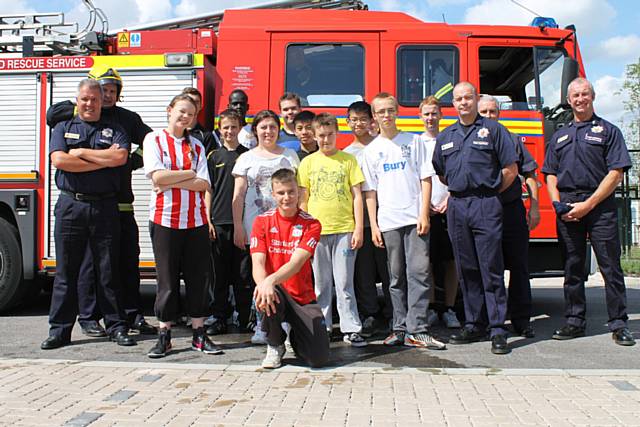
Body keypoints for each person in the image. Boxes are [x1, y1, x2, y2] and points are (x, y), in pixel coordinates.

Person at [45, 65, 155, 338]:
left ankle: (127, 318)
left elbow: (149, 142)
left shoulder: (124, 122)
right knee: (79, 269)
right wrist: (103, 162)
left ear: (118, 94)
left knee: (120, 266)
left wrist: (131, 161)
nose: (103, 97)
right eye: (99, 91)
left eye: (110, 91)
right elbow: (57, 153)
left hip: (116, 204)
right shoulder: (69, 118)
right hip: (76, 204)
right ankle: (83, 319)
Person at [542, 77, 635, 346]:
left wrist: (588, 205)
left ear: (592, 97)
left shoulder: (609, 131)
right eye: (575, 95)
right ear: (568, 100)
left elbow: (615, 173)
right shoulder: (560, 134)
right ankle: (574, 321)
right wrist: (558, 205)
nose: (580, 99)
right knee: (572, 268)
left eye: (585, 94)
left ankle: (619, 324)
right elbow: (549, 174)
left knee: (610, 268)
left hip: (600, 207)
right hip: (568, 206)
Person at [432, 82, 518, 355]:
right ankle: (473, 323)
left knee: (490, 267)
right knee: (466, 268)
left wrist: (489, 192)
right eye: (458, 99)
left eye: (468, 98)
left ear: (475, 100)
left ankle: (497, 329)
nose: (463, 103)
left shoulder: (494, 130)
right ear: (453, 104)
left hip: (486, 204)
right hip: (458, 205)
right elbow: (442, 173)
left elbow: (510, 169)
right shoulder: (446, 136)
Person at [360, 92, 445, 350]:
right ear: (374, 117)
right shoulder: (371, 150)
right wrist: (374, 225)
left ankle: (418, 329)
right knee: (395, 277)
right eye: (381, 112)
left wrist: (423, 213)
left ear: (397, 111)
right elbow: (370, 192)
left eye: (390, 110)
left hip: (415, 218)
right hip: (388, 221)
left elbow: (426, 178)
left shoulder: (414, 141)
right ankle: (399, 328)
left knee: (418, 273)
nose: (386, 115)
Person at [143, 94, 223, 358]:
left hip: (196, 221)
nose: (186, 117)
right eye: (182, 111)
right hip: (164, 220)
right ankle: (164, 334)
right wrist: (189, 173)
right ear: (170, 111)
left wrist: (172, 179)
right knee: (166, 281)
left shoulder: (197, 146)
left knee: (198, 279)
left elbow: (203, 184)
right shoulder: (153, 139)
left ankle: (199, 334)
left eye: (191, 114)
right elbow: (156, 176)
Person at [297, 113, 366, 346]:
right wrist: (306, 228)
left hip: (344, 230)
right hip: (317, 233)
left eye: (330, 135)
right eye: (321, 136)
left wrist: (358, 228)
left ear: (337, 134)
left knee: (345, 282)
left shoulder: (348, 160)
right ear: (315, 137)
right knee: (321, 283)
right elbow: (303, 199)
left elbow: (358, 196)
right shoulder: (307, 163)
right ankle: (323, 326)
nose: (326, 140)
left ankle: (351, 327)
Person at [232, 109, 300, 344]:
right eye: (263, 127)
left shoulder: (289, 155)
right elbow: (238, 195)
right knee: (260, 277)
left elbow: (300, 191)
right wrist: (239, 227)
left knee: (287, 276)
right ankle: (262, 325)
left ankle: (288, 327)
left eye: (272, 127)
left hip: (286, 227)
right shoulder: (246, 158)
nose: (268, 131)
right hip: (255, 226)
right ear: (255, 131)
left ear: (278, 130)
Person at [251, 168, 329, 369]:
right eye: (281, 193)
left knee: (318, 359)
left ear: (299, 192)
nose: (287, 197)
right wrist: (263, 284)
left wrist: (269, 280)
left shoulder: (312, 224)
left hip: (302, 297)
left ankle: (295, 336)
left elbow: (296, 264)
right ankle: (275, 344)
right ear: (273, 194)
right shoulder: (261, 221)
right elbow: (257, 262)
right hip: (275, 293)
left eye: (291, 192)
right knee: (267, 290)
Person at [478, 95, 540, 338]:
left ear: (499, 113)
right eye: (484, 112)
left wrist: (534, 208)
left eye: (493, 111)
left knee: (519, 267)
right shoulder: (472, 140)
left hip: (511, 210)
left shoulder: (512, 139)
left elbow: (530, 175)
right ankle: (488, 320)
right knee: (486, 267)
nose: (489, 116)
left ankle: (522, 320)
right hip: (483, 212)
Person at [343, 100, 392, 336]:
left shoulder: (382, 146)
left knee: (389, 268)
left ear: (372, 121)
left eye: (363, 119)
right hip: (359, 221)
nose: (359, 123)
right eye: (354, 119)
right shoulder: (345, 155)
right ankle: (370, 313)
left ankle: (395, 314)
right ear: (348, 122)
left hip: (386, 216)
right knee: (363, 270)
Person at [205, 109, 249, 335]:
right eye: (225, 128)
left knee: (242, 275)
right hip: (219, 222)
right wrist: (208, 219)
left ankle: (244, 318)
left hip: (242, 223)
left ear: (240, 128)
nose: (230, 131)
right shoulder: (213, 157)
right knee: (218, 275)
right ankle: (218, 317)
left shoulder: (248, 155)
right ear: (219, 130)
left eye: (233, 127)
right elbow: (208, 190)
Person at [418, 96, 461, 329]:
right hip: (427, 211)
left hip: (449, 207)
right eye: (426, 114)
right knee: (428, 262)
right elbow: (415, 178)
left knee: (452, 261)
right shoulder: (416, 144)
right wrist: (425, 207)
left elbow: (458, 173)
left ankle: (451, 308)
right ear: (420, 116)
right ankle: (434, 307)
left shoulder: (449, 140)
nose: (431, 118)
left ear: (441, 115)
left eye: (434, 113)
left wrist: (449, 198)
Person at [182, 87, 217, 153]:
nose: (193, 105)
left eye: (196, 102)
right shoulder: (175, 133)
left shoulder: (206, 136)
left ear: (201, 106)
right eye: (190, 101)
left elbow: (209, 162)